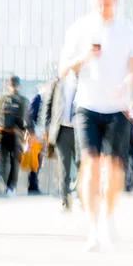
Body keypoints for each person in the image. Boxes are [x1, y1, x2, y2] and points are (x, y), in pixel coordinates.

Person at [59, 0, 133, 252]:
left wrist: (127, 84)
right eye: (98, 1)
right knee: (90, 165)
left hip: (117, 109)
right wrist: (83, 57)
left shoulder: (129, 31)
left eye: (106, 1)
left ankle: (108, 218)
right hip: (86, 107)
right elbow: (62, 69)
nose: (102, 6)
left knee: (114, 169)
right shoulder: (80, 29)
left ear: (115, 0)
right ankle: (93, 225)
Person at [43, 73, 79, 212]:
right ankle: (65, 200)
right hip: (61, 130)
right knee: (64, 168)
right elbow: (47, 106)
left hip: (79, 130)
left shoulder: (84, 82)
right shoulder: (57, 83)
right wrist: (46, 130)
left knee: (83, 164)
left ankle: (81, 194)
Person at [0, 76, 29, 196]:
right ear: (18, 85)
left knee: (1, 160)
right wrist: (25, 138)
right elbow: (25, 121)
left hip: (1, 133)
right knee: (14, 163)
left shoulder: (0, 98)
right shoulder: (22, 100)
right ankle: (10, 188)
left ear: (8, 84)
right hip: (15, 135)